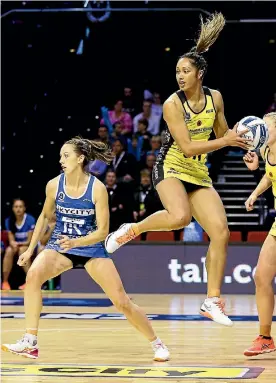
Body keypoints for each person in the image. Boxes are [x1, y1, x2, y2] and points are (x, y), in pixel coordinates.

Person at [105, 13, 251, 327]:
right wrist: (223, 140)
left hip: (198, 174)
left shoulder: (216, 98)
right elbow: (187, 148)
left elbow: (224, 134)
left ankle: (212, 301)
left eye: (185, 71)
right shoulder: (173, 104)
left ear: (200, 73)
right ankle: (132, 229)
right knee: (180, 216)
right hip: (170, 166)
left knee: (222, 233)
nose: (179, 76)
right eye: (176, 71)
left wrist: (245, 150)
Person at [1, 137, 169, 362]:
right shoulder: (54, 185)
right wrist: (31, 250)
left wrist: (76, 243)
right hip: (61, 247)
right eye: (61, 156)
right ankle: (30, 342)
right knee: (33, 276)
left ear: (80, 159)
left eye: (66, 156)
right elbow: (44, 217)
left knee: (122, 302)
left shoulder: (97, 188)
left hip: (91, 249)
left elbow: (103, 231)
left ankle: (157, 343)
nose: (61, 160)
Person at [243, 113, 276, 356]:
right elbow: (269, 174)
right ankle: (265, 338)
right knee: (261, 277)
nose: (262, 130)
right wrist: (255, 193)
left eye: (267, 126)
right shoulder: (266, 152)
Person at [2, 199, 36, 291]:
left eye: (20, 207)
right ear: (13, 208)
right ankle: (5, 282)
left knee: (22, 251)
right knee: (9, 250)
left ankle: (31, 281)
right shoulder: (8, 220)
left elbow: (29, 241)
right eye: (16, 207)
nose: (18, 209)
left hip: (28, 246)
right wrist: (13, 244)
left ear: (24, 208)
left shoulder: (30, 219)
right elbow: (11, 240)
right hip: (16, 246)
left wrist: (19, 244)